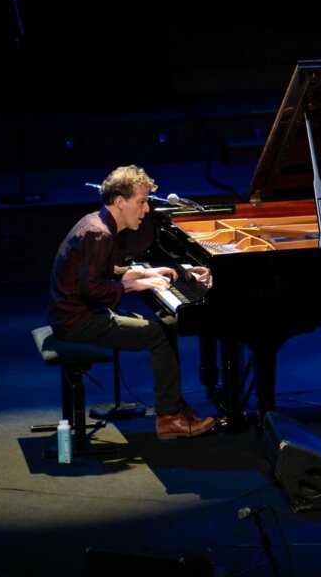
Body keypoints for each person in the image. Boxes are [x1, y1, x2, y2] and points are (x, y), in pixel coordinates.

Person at [48, 165, 216, 439]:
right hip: (76, 322)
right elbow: (92, 289)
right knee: (159, 335)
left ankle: (174, 407)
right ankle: (169, 418)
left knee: (165, 327)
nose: (147, 209)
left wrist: (143, 273)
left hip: (75, 314)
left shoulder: (97, 222)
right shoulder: (99, 233)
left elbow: (102, 273)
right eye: (141, 202)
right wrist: (136, 284)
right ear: (120, 202)